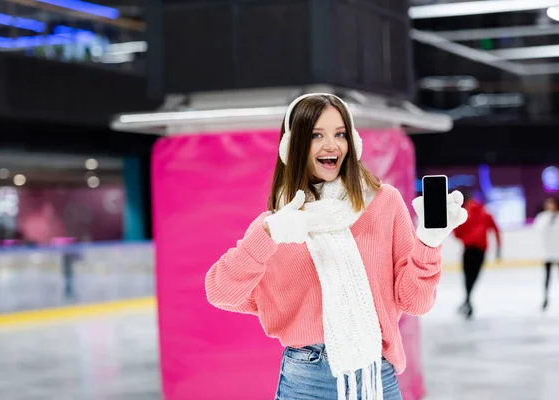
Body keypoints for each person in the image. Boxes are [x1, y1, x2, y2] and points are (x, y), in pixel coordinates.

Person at [204, 93, 467, 400]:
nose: (331, 145)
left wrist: (428, 244)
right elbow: (220, 292)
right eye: (316, 135)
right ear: (294, 146)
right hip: (306, 380)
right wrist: (267, 235)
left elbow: (416, 303)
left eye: (339, 134)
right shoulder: (277, 224)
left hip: (376, 377)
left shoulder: (384, 204)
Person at [453, 190, 501, 319]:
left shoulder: (465, 214)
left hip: (468, 249)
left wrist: (465, 239)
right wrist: (498, 248)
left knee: (467, 277)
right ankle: (468, 301)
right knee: (474, 277)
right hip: (480, 251)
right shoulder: (485, 213)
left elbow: (456, 232)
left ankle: (467, 302)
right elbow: (496, 230)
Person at [533, 197, 559, 311]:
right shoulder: (543, 217)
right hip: (548, 251)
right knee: (547, 277)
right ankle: (545, 297)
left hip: (557, 250)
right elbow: (537, 230)